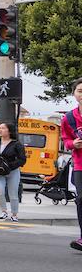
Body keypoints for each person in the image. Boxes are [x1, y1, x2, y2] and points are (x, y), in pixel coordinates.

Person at [0, 121, 26, 222]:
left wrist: (10, 166)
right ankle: (3, 212)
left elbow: (22, 159)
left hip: (12, 172)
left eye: (3, 128)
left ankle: (14, 214)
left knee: (13, 193)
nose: (0, 130)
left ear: (9, 131)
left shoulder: (16, 144)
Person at [60, 77, 82, 251]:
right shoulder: (68, 118)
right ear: (74, 94)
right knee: (80, 199)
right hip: (80, 163)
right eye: (80, 91)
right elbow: (65, 139)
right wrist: (72, 144)